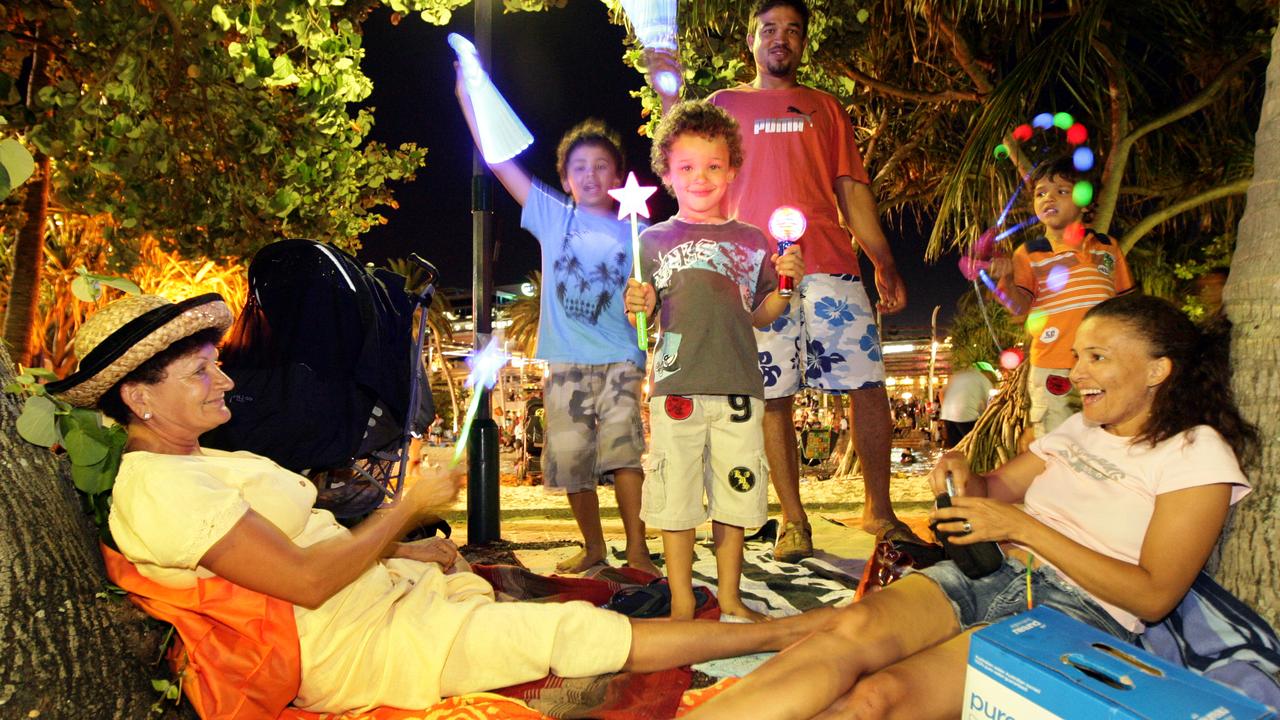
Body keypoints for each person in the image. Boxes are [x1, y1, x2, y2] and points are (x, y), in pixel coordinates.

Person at [47, 293, 834, 715]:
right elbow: (307, 582)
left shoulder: (205, 461)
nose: (223, 381)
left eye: (216, 365)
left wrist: (407, 546)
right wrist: (406, 509)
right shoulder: (158, 488)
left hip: (378, 600)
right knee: (570, 624)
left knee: (510, 595)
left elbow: (304, 547)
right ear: (138, 396)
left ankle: (592, 653)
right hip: (353, 645)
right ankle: (795, 632)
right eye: (200, 372)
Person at [684, 293, 1258, 718]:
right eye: (1078, 355)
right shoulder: (1082, 428)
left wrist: (1022, 527)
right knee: (847, 631)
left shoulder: (1194, 451)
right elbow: (996, 490)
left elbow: (1154, 595)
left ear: (1158, 370)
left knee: (879, 697)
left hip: (1079, 614)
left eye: (1097, 358)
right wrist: (964, 474)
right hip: (994, 569)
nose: (1076, 372)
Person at [647, 0, 913, 560]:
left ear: (802, 44)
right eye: (770, 29)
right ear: (752, 41)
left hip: (830, 265)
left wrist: (883, 259)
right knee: (772, 395)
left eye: (793, 31)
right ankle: (794, 520)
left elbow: (851, 191)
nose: (781, 38)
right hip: (752, 273)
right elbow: (693, 171)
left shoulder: (825, 107)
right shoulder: (724, 105)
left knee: (866, 386)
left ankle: (881, 512)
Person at [455, 69, 657, 575]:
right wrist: (468, 96)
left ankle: (637, 549)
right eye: (579, 167)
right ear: (565, 178)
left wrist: (648, 299)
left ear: (618, 176)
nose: (590, 175)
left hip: (619, 359)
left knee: (624, 454)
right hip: (564, 361)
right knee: (572, 464)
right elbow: (500, 162)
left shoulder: (640, 232)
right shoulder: (553, 216)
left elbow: (659, 296)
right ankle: (594, 547)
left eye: (602, 166)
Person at [624, 100, 804, 621]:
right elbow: (643, 316)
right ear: (667, 175)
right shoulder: (651, 241)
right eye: (686, 168)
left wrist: (786, 285)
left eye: (713, 166)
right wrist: (639, 303)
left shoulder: (752, 240)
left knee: (736, 498)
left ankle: (729, 596)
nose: (700, 178)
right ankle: (682, 599)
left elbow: (763, 314)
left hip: (741, 390)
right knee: (676, 498)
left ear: (731, 170)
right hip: (676, 388)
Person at [989, 155, 1136, 439]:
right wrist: (1005, 278)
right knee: (1058, 440)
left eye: (1062, 191)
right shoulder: (1029, 252)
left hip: (1105, 362)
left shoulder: (1107, 246)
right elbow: (1018, 306)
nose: (1049, 198)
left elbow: (1127, 305)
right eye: (1041, 193)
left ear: (1084, 201)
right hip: (1054, 365)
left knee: (1109, 436)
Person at [938, 365, 994, 448]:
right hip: (965, 415)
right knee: (974, 444)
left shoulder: (958, 376)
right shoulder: (983, 379)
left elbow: (941, 393)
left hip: (948, 416)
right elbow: (989, 402)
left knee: (955, 447)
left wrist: (945, 409)